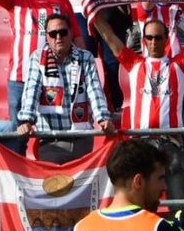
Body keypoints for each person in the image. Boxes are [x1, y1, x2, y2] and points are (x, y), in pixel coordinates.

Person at [95, 10, 184, 201]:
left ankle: (177, 227)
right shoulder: (134, 63)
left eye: (158, 37)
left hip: (170, 141)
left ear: (166, 40)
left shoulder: (179, 65)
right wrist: (92, 13)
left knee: (177, 198)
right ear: (144, 40)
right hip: (141, 140)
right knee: (139, 196)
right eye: (149, 38)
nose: (153, 42)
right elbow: (109, 37)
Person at [15, 14, 118, 169]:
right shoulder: (37, 58)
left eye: (63, 32)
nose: (58, 37)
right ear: (47, 37)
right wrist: (26, 121)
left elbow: (94, 89)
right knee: (55, 190)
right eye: (53, 34)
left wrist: (103, 118)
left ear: (71, 33)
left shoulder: (86, 57)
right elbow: (31, 91)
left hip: (82, 138)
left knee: (83, 190)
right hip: (50, 140)